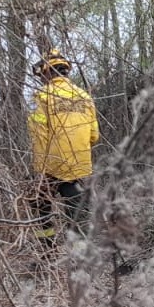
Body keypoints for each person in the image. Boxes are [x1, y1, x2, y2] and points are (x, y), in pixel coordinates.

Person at [28, 48, 99, 240]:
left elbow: (40, 136)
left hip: (52, 166)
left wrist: (40, 172)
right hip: (79, 165)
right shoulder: (84, 96)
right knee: (78, 212)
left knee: (39, 205)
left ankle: (47, 251)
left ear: (47, 72)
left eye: (42, 74)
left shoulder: (43, 96)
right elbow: (94, 136)